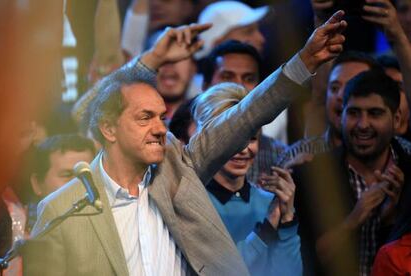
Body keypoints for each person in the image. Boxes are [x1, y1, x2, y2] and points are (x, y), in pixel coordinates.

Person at [25, 11, 347, 275]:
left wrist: (302, 63)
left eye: (162, 118)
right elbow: (85, 111)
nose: (158, 129)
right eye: (144, 118)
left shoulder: (180, 169)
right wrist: (152, 58)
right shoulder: (63, 209)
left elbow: (246, 116)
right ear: (108, 129)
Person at [294, 69, 411, 276]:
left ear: (397, 118)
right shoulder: (313, 177)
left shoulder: (408, 174)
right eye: (354, 113)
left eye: (375, 113)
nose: (363, 125)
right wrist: (354, 218)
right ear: (342, 116)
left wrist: (390, 221)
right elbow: (299, 259)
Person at [193, 83, 302, 275]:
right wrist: (265, 231)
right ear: (206, 139)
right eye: (233, 139)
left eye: (251, 138)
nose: (243, 150)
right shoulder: (193, 203)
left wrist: (286, 218)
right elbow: (217, 272)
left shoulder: (269, 203)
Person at [201, 40, 288, 182]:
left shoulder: (279, 155)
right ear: (205, 86)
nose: (238, 86)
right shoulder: (185, 146)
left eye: (248, 78)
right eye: (227, 77)